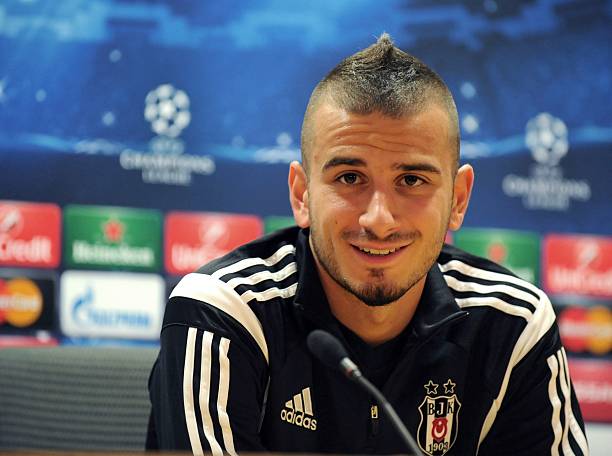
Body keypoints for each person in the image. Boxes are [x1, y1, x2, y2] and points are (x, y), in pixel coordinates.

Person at [146, 34, 588, 455]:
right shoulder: (224, 313)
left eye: (411, 180)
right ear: (302, 195)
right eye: (350, 178)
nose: (378, 219)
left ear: (458, 199)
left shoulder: (513, 324)